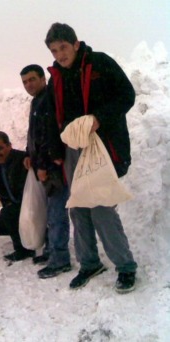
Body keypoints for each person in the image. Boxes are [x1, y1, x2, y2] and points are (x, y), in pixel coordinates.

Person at [45, 23, 138, 293]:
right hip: (73, 150)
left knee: (100, 207)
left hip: (104, 146)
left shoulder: (100, 64)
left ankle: (126, 267)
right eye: (54, 50)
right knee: (77, 207)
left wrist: (99, 118)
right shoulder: (56, 78)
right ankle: (89, 263)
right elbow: (53, 117)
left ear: (75, 44)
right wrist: (56, 152)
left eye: (63, 47)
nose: (60, 54)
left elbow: (127, 96)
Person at [20, 64, 71, 279]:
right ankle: (51, 251)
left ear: (42, 78)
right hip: (44, 164)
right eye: (24, 82)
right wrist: (28, 154)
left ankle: (60, 260)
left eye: (32, 79)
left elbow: (50, 136)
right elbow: (35, 135)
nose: (28, 85)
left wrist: (42, 165)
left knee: (57, 214)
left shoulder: (49, 98)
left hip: (54, 167)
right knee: (51, 211)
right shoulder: (37, 101)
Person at [0, 131, 35, 262]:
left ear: (9, 145)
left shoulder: (22, 160)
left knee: (8, 214)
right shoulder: (2, 165)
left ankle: (23, 249)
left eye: (0, 148)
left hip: (31, 207)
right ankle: (27, 236)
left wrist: (11, 207)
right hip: (18, 207)